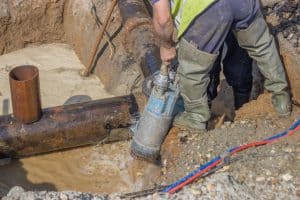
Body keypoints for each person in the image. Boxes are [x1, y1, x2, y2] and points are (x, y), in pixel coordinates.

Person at [151, 0, 291, 131]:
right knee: (262, 46)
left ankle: (195, 117)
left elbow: (163, 20)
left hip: (207, 10)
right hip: (243, 4)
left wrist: (166, 46)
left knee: (191, 70)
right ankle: (282, 99)